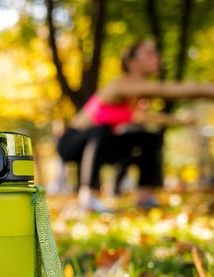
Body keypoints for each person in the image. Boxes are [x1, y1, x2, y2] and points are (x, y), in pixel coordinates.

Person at [57, 39, 208, 211]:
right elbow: (165, 90)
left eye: (156, 53)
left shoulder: (134, 100)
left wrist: (184, 121)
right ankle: (88, 197)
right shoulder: (119, 85)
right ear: (131, 62)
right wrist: (208, 90)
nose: (157, 57)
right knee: (102, 129)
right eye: (149, 53)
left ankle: (144, 197)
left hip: (102, 145)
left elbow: (151, 118)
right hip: (71, 143)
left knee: (149, 139)